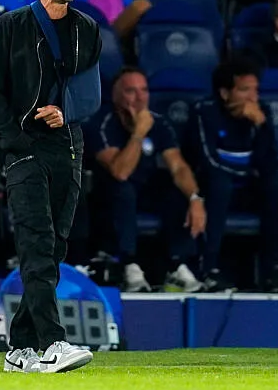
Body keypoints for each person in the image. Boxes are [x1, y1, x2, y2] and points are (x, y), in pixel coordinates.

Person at [0, 0, 102, 373]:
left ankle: (19, 348)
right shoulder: (9, 27)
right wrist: (18, 140)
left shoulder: (87, 29)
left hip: (68, 144)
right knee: (36, 243)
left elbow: (90, 94)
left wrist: (66, 111)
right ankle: (52, 343)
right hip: (23, 146)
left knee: (54, 247)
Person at [88, 67, 206, 293]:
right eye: (131, 91)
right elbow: (120, 171)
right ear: (115, 96)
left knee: (177, 191)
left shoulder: (158, 123)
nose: (140, 97)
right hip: (108, 196)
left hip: (144, 190)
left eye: (144, 90)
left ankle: (176, 266)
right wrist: (139, 134)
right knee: (123, 188)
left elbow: (178, 166)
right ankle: (129, 264)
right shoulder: (101, 123)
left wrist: (195, 198)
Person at [185, 58, 278, 292]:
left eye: (255, 90)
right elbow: (208, 162)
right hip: (211, 188)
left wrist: (261, 127)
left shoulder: (261, 113)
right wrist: (245, 173)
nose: (253, 97)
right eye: (244, 90)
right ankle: (208, 269)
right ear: (224, 93)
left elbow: (269, 164)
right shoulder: (204, 112)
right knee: (220, 184)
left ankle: (273, 272)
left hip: (246, 189)